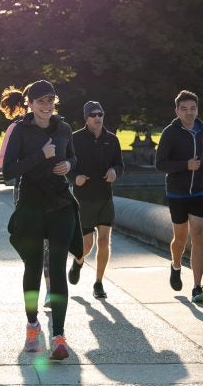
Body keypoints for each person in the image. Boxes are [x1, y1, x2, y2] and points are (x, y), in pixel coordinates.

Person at [0, 80, 82, 361]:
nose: (46, 106)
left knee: (57, 267)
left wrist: (69, 165)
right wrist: (40, 156)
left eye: (50, 101)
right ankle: (33, 325)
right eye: (41, 102)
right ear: (30, 104)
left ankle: (59, 336)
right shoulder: (21, 131)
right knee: (33, 267)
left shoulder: (64, 128)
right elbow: (8, 172)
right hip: (32, 206)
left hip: (60, 204)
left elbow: (73, 157)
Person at [155, 90, 203, 303]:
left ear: (197, 109)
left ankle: (197, 287)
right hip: (177, 193)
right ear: (177, 111)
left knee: (198, 234)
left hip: (200, 190)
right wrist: (185, 165)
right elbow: (160, 164)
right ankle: (175, 265)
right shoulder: (170, 133)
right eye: (184, 109)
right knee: (180, 238)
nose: (189, 113)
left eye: (192, 108)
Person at [68, 101, 124, 299]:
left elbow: (119, 164)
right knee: (87, 244)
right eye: (93, 115)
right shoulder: (74, 139)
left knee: (103, 240)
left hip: (105, 198)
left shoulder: (112, 139)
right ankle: (78, 262)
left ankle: (99, 283)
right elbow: (66, 166)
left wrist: (114, 171)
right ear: (86, 118)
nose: (98, 118)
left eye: (100, 114)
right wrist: (75, 178)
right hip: (84, 199)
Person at [0, 119, 53, 309]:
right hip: (25, 190)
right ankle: (33, 274)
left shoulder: (55, 127)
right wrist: (34, 156)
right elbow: (2, 161)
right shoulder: (16, 128)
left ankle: (50, 291)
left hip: (51, 189)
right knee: (32, 240)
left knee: (48, 242)